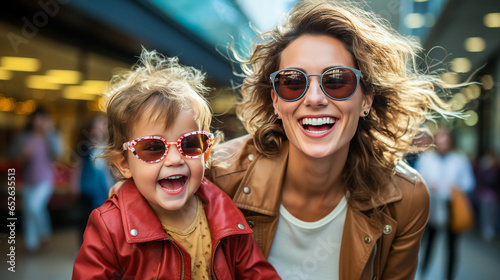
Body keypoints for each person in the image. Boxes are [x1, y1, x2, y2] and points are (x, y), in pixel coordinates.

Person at [108, 1, 457, 278]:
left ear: (366, 99)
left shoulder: (406, 198)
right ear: (275, 100)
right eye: (293, 82)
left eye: (337, 81)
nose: (315, 98)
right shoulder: (214, 175)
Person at [72, 49, 280, 279]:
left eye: (190, 144)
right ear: (124, 163)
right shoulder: (110, 227)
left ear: (206, 152)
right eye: (152, 147)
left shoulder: (225, 212)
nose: (174, 159)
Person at [415, 128, 475, 280]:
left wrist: (456, 187)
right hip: (432, 204)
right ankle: (422, 273)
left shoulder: (460, 158)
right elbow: (417, 179)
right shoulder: (426, 158)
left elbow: (469, 182)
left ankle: (449, 276)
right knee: (428, 242)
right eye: (440, 140)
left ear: (451, 141)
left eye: (445, 140)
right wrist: (429, 185)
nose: (443, 144)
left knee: (452, 245)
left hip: (452, 205)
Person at [9, 107, 61, 253]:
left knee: (34, 207)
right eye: (36, 118)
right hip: (28, 180)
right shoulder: (24, 137)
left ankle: (44, 233)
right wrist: (22, 153)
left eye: (41, 119)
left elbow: (58, 153)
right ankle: (31, 244)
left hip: (45, 180)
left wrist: (50, 132)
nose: (38, 122)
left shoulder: (50, 136)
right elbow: (12, 154)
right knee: (28, 212)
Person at [75, 113, 115, 245]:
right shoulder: (85, 146)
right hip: (87, 188)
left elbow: (111, 170)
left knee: (103, 219)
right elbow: (77, 167)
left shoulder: (110, 147)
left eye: (103, 124)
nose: (100, 127)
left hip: (104, 189)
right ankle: (84, 245)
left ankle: (100, 246)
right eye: (97, 123)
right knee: (85, 218)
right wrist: (74, 184)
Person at [474, 150, 500, 242]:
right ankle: (486, 229)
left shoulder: (496, 169)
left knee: (493, 213)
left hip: (494, 196)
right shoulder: (483, 169)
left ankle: (491, 229)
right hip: (484, 196)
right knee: (485, 213)